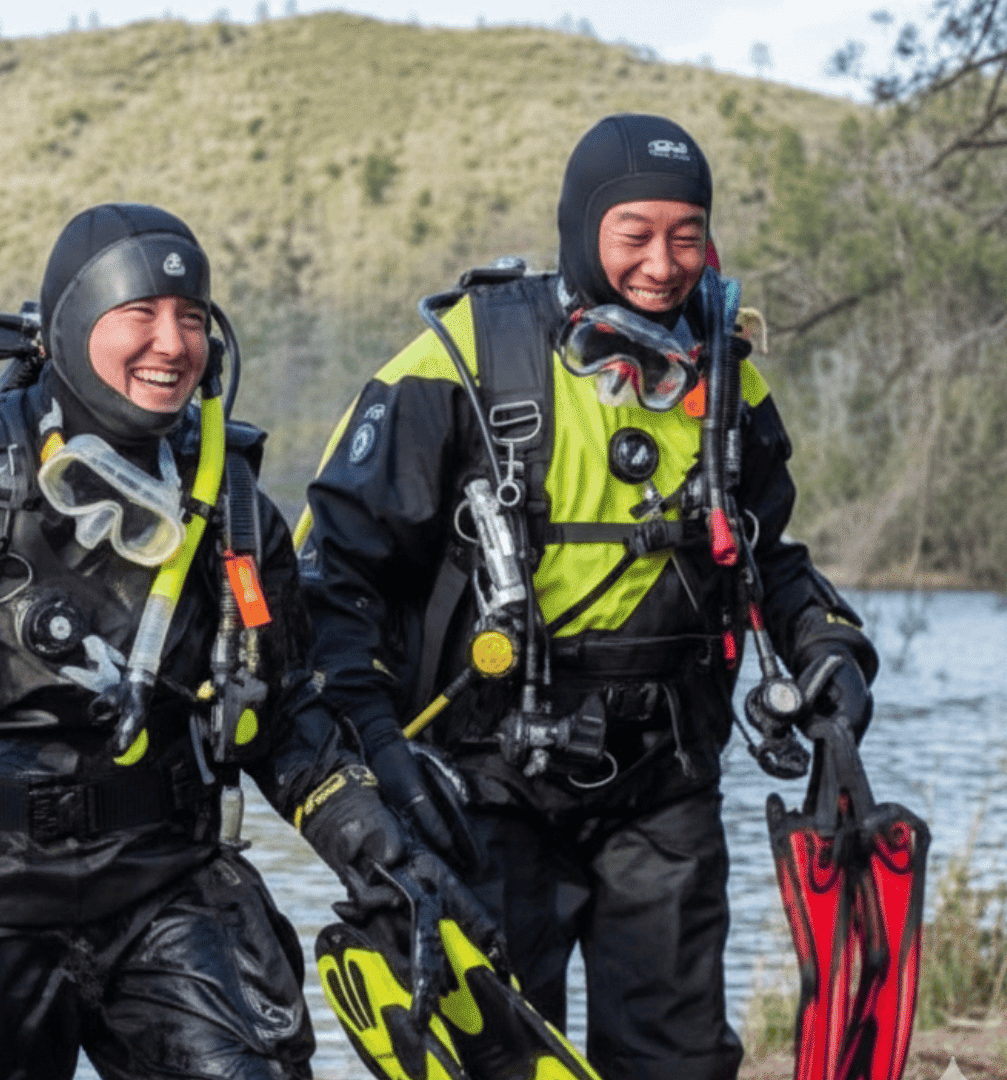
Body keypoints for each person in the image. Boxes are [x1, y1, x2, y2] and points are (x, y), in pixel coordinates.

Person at [0, 203, 469, 1080]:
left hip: (163, 885)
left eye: (191, 318)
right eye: (140, 313)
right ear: (75, 324)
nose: (172, 343)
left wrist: (384, 857)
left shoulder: (228, 503)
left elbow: (281, 713)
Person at [298, 114, 878, 1080]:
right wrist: (380, 756)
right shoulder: (458, 364)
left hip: (665, 779)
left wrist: (826, 644)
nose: (664, 264)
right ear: (580, 228)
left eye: (687, 236)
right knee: (497, 1060)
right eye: (634, 234)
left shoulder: (725, 376)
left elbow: (769, 553)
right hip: (482, 784)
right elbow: (330, 583)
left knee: (677, 1060)